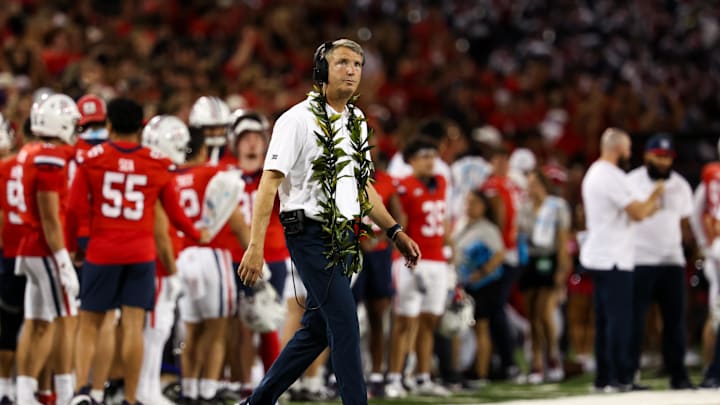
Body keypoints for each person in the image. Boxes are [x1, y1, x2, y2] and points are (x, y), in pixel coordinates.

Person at [237, 39, 421, 405]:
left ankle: (257, 403)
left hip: (344, 235)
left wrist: (394, 229)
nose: (352, 70)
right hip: (307, 233)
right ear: (322, 69)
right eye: (342, 63)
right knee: (345, 323)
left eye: (357, 64)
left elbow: (363, 188)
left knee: (317, 330)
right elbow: (268, 183)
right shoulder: (295, 120)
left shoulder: (356, 122)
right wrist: (255, 245)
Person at [67, 98, 209, 405]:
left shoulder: (92, 158)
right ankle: (131, 398)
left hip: (102, 251)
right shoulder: (157, 163)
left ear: (109, 126)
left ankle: (81, 391)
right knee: (134, 327)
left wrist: (74, 248)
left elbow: (75, 209)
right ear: (141, 127)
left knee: (90, 323)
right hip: (140, 253)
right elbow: (174, 213)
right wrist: (199, 234)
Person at [580, 128, 663, 392]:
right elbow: (638, 212)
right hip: (614, 258)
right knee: (619, 320)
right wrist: (654, 196)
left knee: (605, 320)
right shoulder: (610, 176)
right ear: (618, 149)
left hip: (600, 255)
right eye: (627, 149)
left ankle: (604, 378)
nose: (630, 154)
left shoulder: (594, 172)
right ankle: (621, 377)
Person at [173, 127, 249, 404]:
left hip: (183, 257)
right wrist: (254, 251)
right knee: (217, 328)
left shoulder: (172, 177)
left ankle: (190, 390)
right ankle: (207, 390)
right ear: (203, 150)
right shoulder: (214, 174)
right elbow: (236, 220)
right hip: (211, 254)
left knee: (191, 330)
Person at [13, 94, 80, 405]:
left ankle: (25, 396)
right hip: (45, 247)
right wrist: (64, 260)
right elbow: (50, 216)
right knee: (66, 320)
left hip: (29, 246)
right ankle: (66, 395)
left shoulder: (29, 151)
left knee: (36, 322)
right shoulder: (50, 157)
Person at [626, 134, 695, 390]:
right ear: (647, 155)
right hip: (640, 259)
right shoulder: (631, 182)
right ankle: (630, 374)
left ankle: (678, 375)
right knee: (636, 321)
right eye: (659, 156)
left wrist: (688, 248)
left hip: (672, 261)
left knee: (675, 322)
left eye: (667, 157)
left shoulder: (680, 185)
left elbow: (686, 223)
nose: (664, 162)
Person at [386, 137, 451, 398]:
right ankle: (394, 377)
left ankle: (422, 377)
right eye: (424, 156)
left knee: (430, 321)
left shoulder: (442, 182)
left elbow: (444, 221)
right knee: (404, 321)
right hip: (411, 259)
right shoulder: (401, 187)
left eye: (433, 155)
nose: (430, 161)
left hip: (437, 259)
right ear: (411, 160)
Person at [136, 115, 191, 405]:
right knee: (155, 329)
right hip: (159, 262)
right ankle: (146, 390)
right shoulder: (159, 173)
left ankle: (147, 388)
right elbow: (161, 229)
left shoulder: (153, 170)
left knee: (158, 329)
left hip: (158, 258)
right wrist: (170, 270)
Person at [519, 169, 571, 384]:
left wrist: (562, 270)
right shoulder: (525, 208)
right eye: (528, 184)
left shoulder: (556, 207)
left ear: (543, 184)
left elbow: (562, 241)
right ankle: (537, 363)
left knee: (543, 312)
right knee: (532, 315)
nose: (530, 188)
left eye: (534, 183)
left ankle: (553, 357)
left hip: (549, 261)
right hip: (530, 262)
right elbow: (520, 237)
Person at [454, 189, 505, 387]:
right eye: (467, 201)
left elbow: (499, 255)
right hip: (463, 283)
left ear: (483, 207)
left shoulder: (487, 229)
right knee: (459, 328)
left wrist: (481, 272)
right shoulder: (461, 224)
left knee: (481, 327)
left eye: (474, 202)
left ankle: (482, 374)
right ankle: (458, 371)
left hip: (484, 285)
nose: (469, 206)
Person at [480, 145, 522, 380]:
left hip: (501, 252)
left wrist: (497, 246)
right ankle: (502, 359)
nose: (502, 164)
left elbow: (500, 216)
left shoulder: (495, 186)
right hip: (510, 251)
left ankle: (506, 360)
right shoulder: (511, 185)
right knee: (496, 307)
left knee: (493, 308)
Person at [691, 137, 720, 388]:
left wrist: (705, 244)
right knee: (716, 313)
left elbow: (695, 213)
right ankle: (711, 370)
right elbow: (694, 214)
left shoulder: (711, 178)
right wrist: (705, 244)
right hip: (717, 252)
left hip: (716, 251)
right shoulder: (711, 179)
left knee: (716, 312)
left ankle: (711, 370)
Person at [188, 96, 234, 166]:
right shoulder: (186, 154)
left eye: (221, 128)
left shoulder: (235, 155)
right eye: (210, 128)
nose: (217, 133)